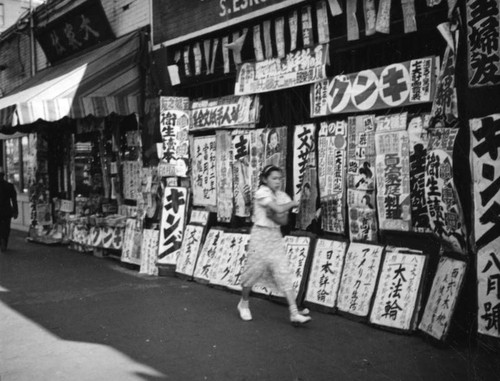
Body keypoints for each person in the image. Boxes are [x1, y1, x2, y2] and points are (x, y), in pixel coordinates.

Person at [237, 165, 312, 326]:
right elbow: (278, 209)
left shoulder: (282, 195)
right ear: (265, 179)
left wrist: (277, 216)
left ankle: (293, 312)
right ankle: (243, 303)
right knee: (253, 272)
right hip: (260, 236)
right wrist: (292, 204)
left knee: (282, 271)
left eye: (280, 178)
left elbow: (283, 220)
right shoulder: (261, 192)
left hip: (274, 237)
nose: (278, 182)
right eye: (274, 178)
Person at [0, 167, 18, 252]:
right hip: (7, 210)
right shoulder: (9, 186)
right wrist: (15, 211)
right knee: (6, 227)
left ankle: (1, 241)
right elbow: (14, 200)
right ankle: (4, 241)